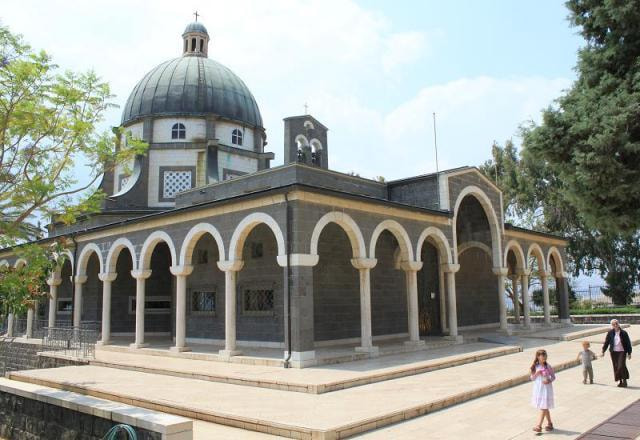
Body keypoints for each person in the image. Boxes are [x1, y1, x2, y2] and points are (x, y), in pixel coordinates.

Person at [531, 349, 556, 432]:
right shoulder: (535, 366)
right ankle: (550, 424)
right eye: (543, 356)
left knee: (543, 407)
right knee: (545, 406)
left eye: (545, 356)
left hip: (546, 389)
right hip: (538, 389)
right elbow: (532, 378)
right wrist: (537, 373)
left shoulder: (548, 366)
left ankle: (539, 426)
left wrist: (549, 380)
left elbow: (553, 377)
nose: (545, 357)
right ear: (538, 357)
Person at [602, 319, 632, 387]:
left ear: (618, 324)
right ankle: (620, 381)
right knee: (616, 367)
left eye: (616, 323)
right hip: (613, 352)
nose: (615, 325)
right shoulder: (610, 333)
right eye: (613, 324)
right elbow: (606, 342)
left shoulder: (624, 333)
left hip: (622, 351)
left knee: (621, 366)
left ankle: (624, 380)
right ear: (612, 325)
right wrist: (603, 351)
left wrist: (629, 353)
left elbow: (628, 343)